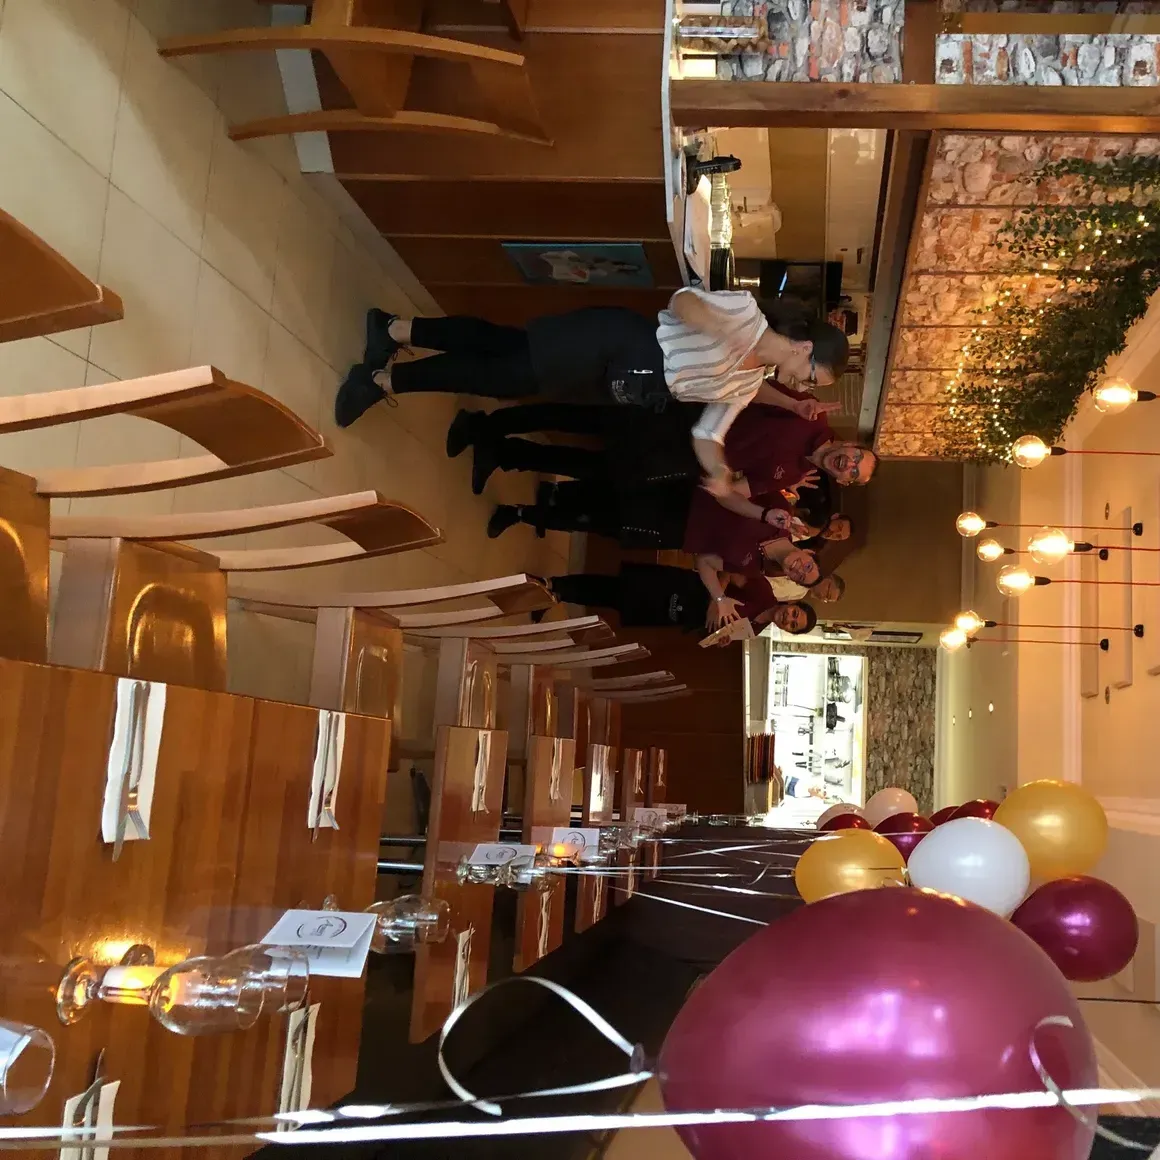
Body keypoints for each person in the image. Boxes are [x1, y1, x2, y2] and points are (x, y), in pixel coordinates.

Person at [332, 294, 848, 436]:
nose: (803, 385)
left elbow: (717, 423)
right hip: (615, 343)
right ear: (805, 350)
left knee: (500, 346)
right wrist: (717, 329)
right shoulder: (746, 317)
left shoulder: (752, 376)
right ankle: (382, 378)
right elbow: (684, 302)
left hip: (613, 381)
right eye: (811, 377)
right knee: (499, 374)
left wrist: (718, 471)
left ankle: (395, 329)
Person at [545, 563, 816, 636]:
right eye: (794, 614)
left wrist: (718, 638)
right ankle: (554, 585)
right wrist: (718, 599)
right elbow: (726, 570)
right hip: (681, 588)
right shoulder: (763, 591)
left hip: (679, 616)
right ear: (791, 605)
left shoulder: (755, 630)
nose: (788, 619)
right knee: (618, 587)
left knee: (615, 602)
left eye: (793, 625)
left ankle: (558, 595)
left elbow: (720, 628)